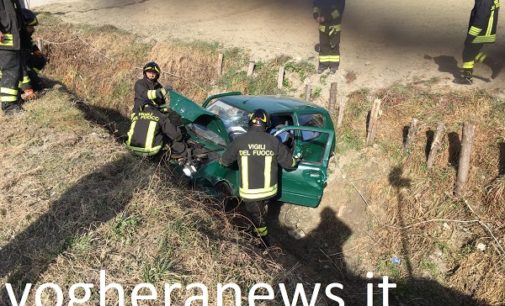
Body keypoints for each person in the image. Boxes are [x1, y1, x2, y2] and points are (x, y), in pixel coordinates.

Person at [220, 109, 299, 247]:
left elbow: (224, 161)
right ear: (266, 124)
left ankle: (263, 241)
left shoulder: (240, 141)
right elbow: (289, 164)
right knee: (259, 209)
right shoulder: (273, 141)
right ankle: (260, 223)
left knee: (257, 218)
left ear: (250, 122)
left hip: (250, 193)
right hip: (269, 191)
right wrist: (296, 160)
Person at [459, 0, 500, 84]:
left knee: (468, 52)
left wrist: (471, 35)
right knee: (472, 51)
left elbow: (481, 18)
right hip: (485, 30)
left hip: (481, 31)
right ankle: (494, 65)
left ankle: (467, 78)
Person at [0, 0, 27, 114]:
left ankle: (15, 99)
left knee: (15, 70)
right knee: (10, 70)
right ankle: (8, 107)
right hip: (5, 39)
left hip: (13, 38)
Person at [313, 0, 346, 74]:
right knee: (323, 46)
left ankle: (334, 66)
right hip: (323, 27)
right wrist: (315, 15)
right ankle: (323, 65)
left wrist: (325, 18)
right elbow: (316, 5)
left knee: (334, 46)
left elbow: (338, 12)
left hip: (334, 27)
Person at [20, 8, 47, 95]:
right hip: (14, 73)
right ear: (22, 27)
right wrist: (28, 88)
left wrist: (37, 52)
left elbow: (30, 44)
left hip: (25, 65)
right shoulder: (16, 42)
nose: (33, 30)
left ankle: (33, 77)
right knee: (39, 86)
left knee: (41, 59)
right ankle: (23, 87)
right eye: (30, 27)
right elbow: (21, 67)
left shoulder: (25, 37)